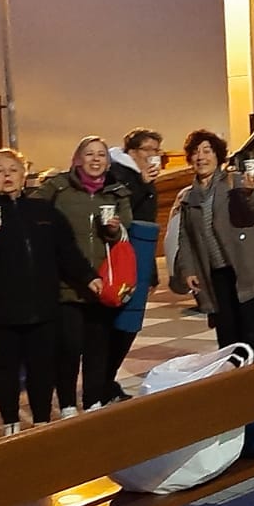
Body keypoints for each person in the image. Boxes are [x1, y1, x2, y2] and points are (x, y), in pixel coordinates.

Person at [0, 149, 101, 436]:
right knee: (5, 369)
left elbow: (66, 252)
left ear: (23, 176)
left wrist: (88, 277)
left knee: (41, 368)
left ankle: (41, 420)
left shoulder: (43, 211)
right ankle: (11, 424)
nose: (7, 176)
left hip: (41, 306)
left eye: (13, 170)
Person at [35, 136, 133, 415]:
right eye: (89, 154)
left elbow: (125, 229)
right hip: (65, 282)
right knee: (68, 346)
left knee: (98, 347)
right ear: (77, 159)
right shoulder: (57, 188)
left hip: (103, 281)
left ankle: (92, 402)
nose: (95, 159)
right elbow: (32, 212)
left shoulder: (117, 192)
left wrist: (114, 229)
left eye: (101, 155)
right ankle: (67, 403)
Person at [170, 128, 254, 353]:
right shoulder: (188, 197)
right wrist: (188, 269)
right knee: (226, 332)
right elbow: (185, 237)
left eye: (207, 151)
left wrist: (249, 194)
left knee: (251, 330)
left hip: (247, 267)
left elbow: (252, 213)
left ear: (218, 156)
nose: (201, 157)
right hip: (215, 273)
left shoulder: (234, 181)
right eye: (196, 152)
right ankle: (233, 377)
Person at [105, 127, 164, 399]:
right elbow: (125, 213)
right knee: (118, 323)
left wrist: (150, 272)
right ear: (132, 151)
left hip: (139, 256)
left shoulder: (142, 178)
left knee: (130, 322)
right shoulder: (118, 173)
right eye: (148, 150)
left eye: (157, 151)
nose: (153, 156)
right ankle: (103, 382)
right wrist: (142, 182)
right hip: (120, 257)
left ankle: (107, 379)